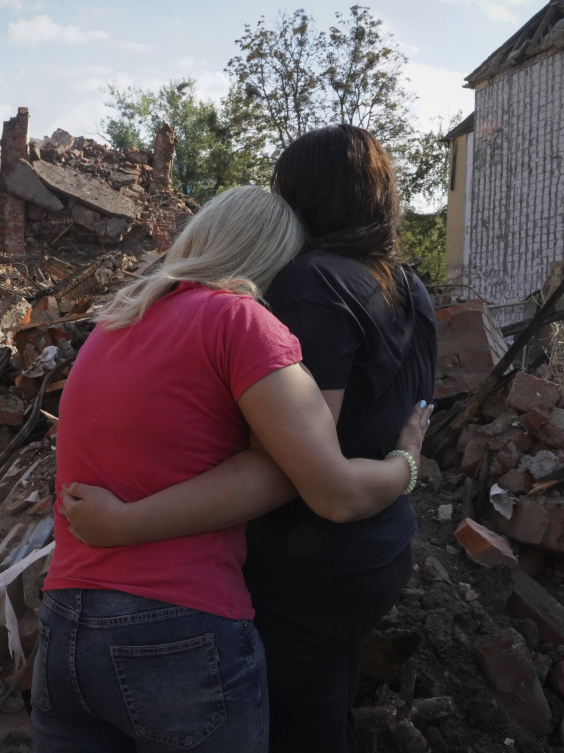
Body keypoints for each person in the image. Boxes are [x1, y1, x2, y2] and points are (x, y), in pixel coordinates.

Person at [62, 124, 438, 753]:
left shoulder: (309, 282)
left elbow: (300, 463)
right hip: (382, 546)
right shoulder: (408, 286)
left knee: (301, 726)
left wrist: (126, 520)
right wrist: (405, 462)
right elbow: (407, 405)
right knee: (330, 702)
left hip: (306, 562)